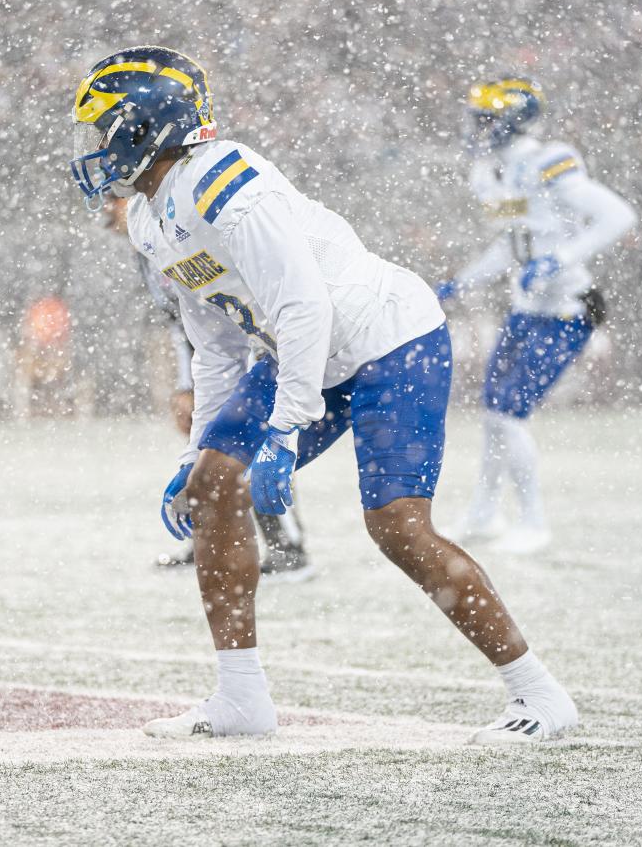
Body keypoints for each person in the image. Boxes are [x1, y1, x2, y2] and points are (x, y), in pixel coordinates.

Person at [70, 46, 578, 744]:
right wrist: (198, 452)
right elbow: (214, 343)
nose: (96, 149)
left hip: (389, 340)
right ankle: (241, 698)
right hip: (306, 350)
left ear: (145, 124)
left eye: (104, 129)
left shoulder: (226, 184)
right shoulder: (150, 217)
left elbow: (305, 305)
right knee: (215, 486)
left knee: (397, 527)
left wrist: (284, 430)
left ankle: (539, 693)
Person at [437, 77, 636, 554]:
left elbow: (618, 216)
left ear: (512, 120)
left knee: (508, 413)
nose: (479, 129)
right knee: (494, 413)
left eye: (488, 119)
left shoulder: (548, 160)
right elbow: (513, 243)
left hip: (568, 306)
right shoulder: (491, 171)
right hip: (528, 307)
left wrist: (560, 260)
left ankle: (533, 521)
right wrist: (465, 280)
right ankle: (485, 515)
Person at [103, 196, 313, 580]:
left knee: (248, 446)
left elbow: (231, 311)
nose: (106, 207)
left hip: (247, 349)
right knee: (208, 451)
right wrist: (187, 383)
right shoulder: (147, 250)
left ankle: (288, 547)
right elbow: (180, 321)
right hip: (211, 355)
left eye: (113, 199)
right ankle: (209, 537)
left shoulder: (176, 239)